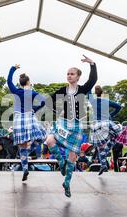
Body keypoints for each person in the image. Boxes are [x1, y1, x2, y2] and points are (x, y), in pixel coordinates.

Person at [46, 55, 97, 198]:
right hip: (62, 122)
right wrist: (58, 111)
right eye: (68, 73)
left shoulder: (82, 89)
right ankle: (61, 162)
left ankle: (67, 183)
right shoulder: (62, 90)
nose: (69, 76)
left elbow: (93, 80)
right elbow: (49, 101)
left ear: (78, 77)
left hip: (76, 125)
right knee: (50, 141)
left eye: (72, 73)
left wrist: (92, 64)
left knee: (73, 156)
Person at [6, 64, 46, 181]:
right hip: (29, 117)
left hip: (18, 119)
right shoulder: (32, 93)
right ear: (28, 82)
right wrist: (35, 109)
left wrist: (13, 69)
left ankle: (25, 169)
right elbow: (44, 101)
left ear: (20, 83)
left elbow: (9, 81)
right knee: (41, 137)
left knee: (21, 146)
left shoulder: (16, 91)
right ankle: (29, 151)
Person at [88, 85, 122, 175]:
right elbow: (119, 107)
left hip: (98, 125)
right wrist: (112, 114)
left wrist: (89, 86)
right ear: (102, 92)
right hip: (107, 122)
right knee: (118, 136)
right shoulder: (106, 101)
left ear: (95, 93)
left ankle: (103, 164)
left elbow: (88, 92)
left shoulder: (93, 101)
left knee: (100, 147)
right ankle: (107, 150)